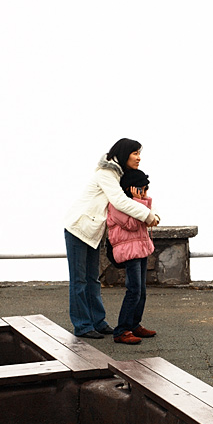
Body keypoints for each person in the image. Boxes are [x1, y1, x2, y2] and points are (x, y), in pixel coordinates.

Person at [64, 138, 159, 339]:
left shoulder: (121, 174)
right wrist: (148, 216)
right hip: (78, 228)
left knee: (93, 279)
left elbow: (135, 195)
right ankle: (82, 325)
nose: (139, 158)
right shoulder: (107, 173)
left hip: (93, 231)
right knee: (79, 281)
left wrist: (152, 212)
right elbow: (119, 201)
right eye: (135, 153)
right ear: (124, 153)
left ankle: (98, 322)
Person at [107, 164, 159, 345]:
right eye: (142, 188)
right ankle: (121, 330)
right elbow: (133, 225)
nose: (144, 192)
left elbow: (146, 218)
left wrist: (143, 202)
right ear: (131, 188)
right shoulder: (118, 205)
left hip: (140, 249)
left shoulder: (134, 204)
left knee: (141, 291)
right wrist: (140, 202)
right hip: (129, 252)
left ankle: (134, 324)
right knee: (133, 290)